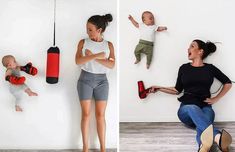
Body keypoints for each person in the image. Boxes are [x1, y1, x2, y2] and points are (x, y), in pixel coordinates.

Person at [150, 40, 232, 152]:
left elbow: (228, 83)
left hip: (205, 108)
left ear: (200, 51)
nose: (188, 49)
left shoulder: (210, 69)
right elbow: (177, 90)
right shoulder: (184, 68)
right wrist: (159, 88)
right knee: (193, 108)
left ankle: (203, 148)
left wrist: (216, 98)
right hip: (186, 110)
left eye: (192, 46)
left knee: (203, 125)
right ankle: (218, 137)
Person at [75, 14, 115, 152]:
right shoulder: (83, 42)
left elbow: (111, 65)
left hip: (102, 81)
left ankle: (103, 148)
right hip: (85, 79)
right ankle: (85, 148)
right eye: (87, 29)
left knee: (100, 115)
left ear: (99, 30)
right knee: (86, 114)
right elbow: (78, 61)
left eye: (90, 29)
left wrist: (93, 57)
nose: (87, 32)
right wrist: (97, 56)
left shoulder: (108, 45)